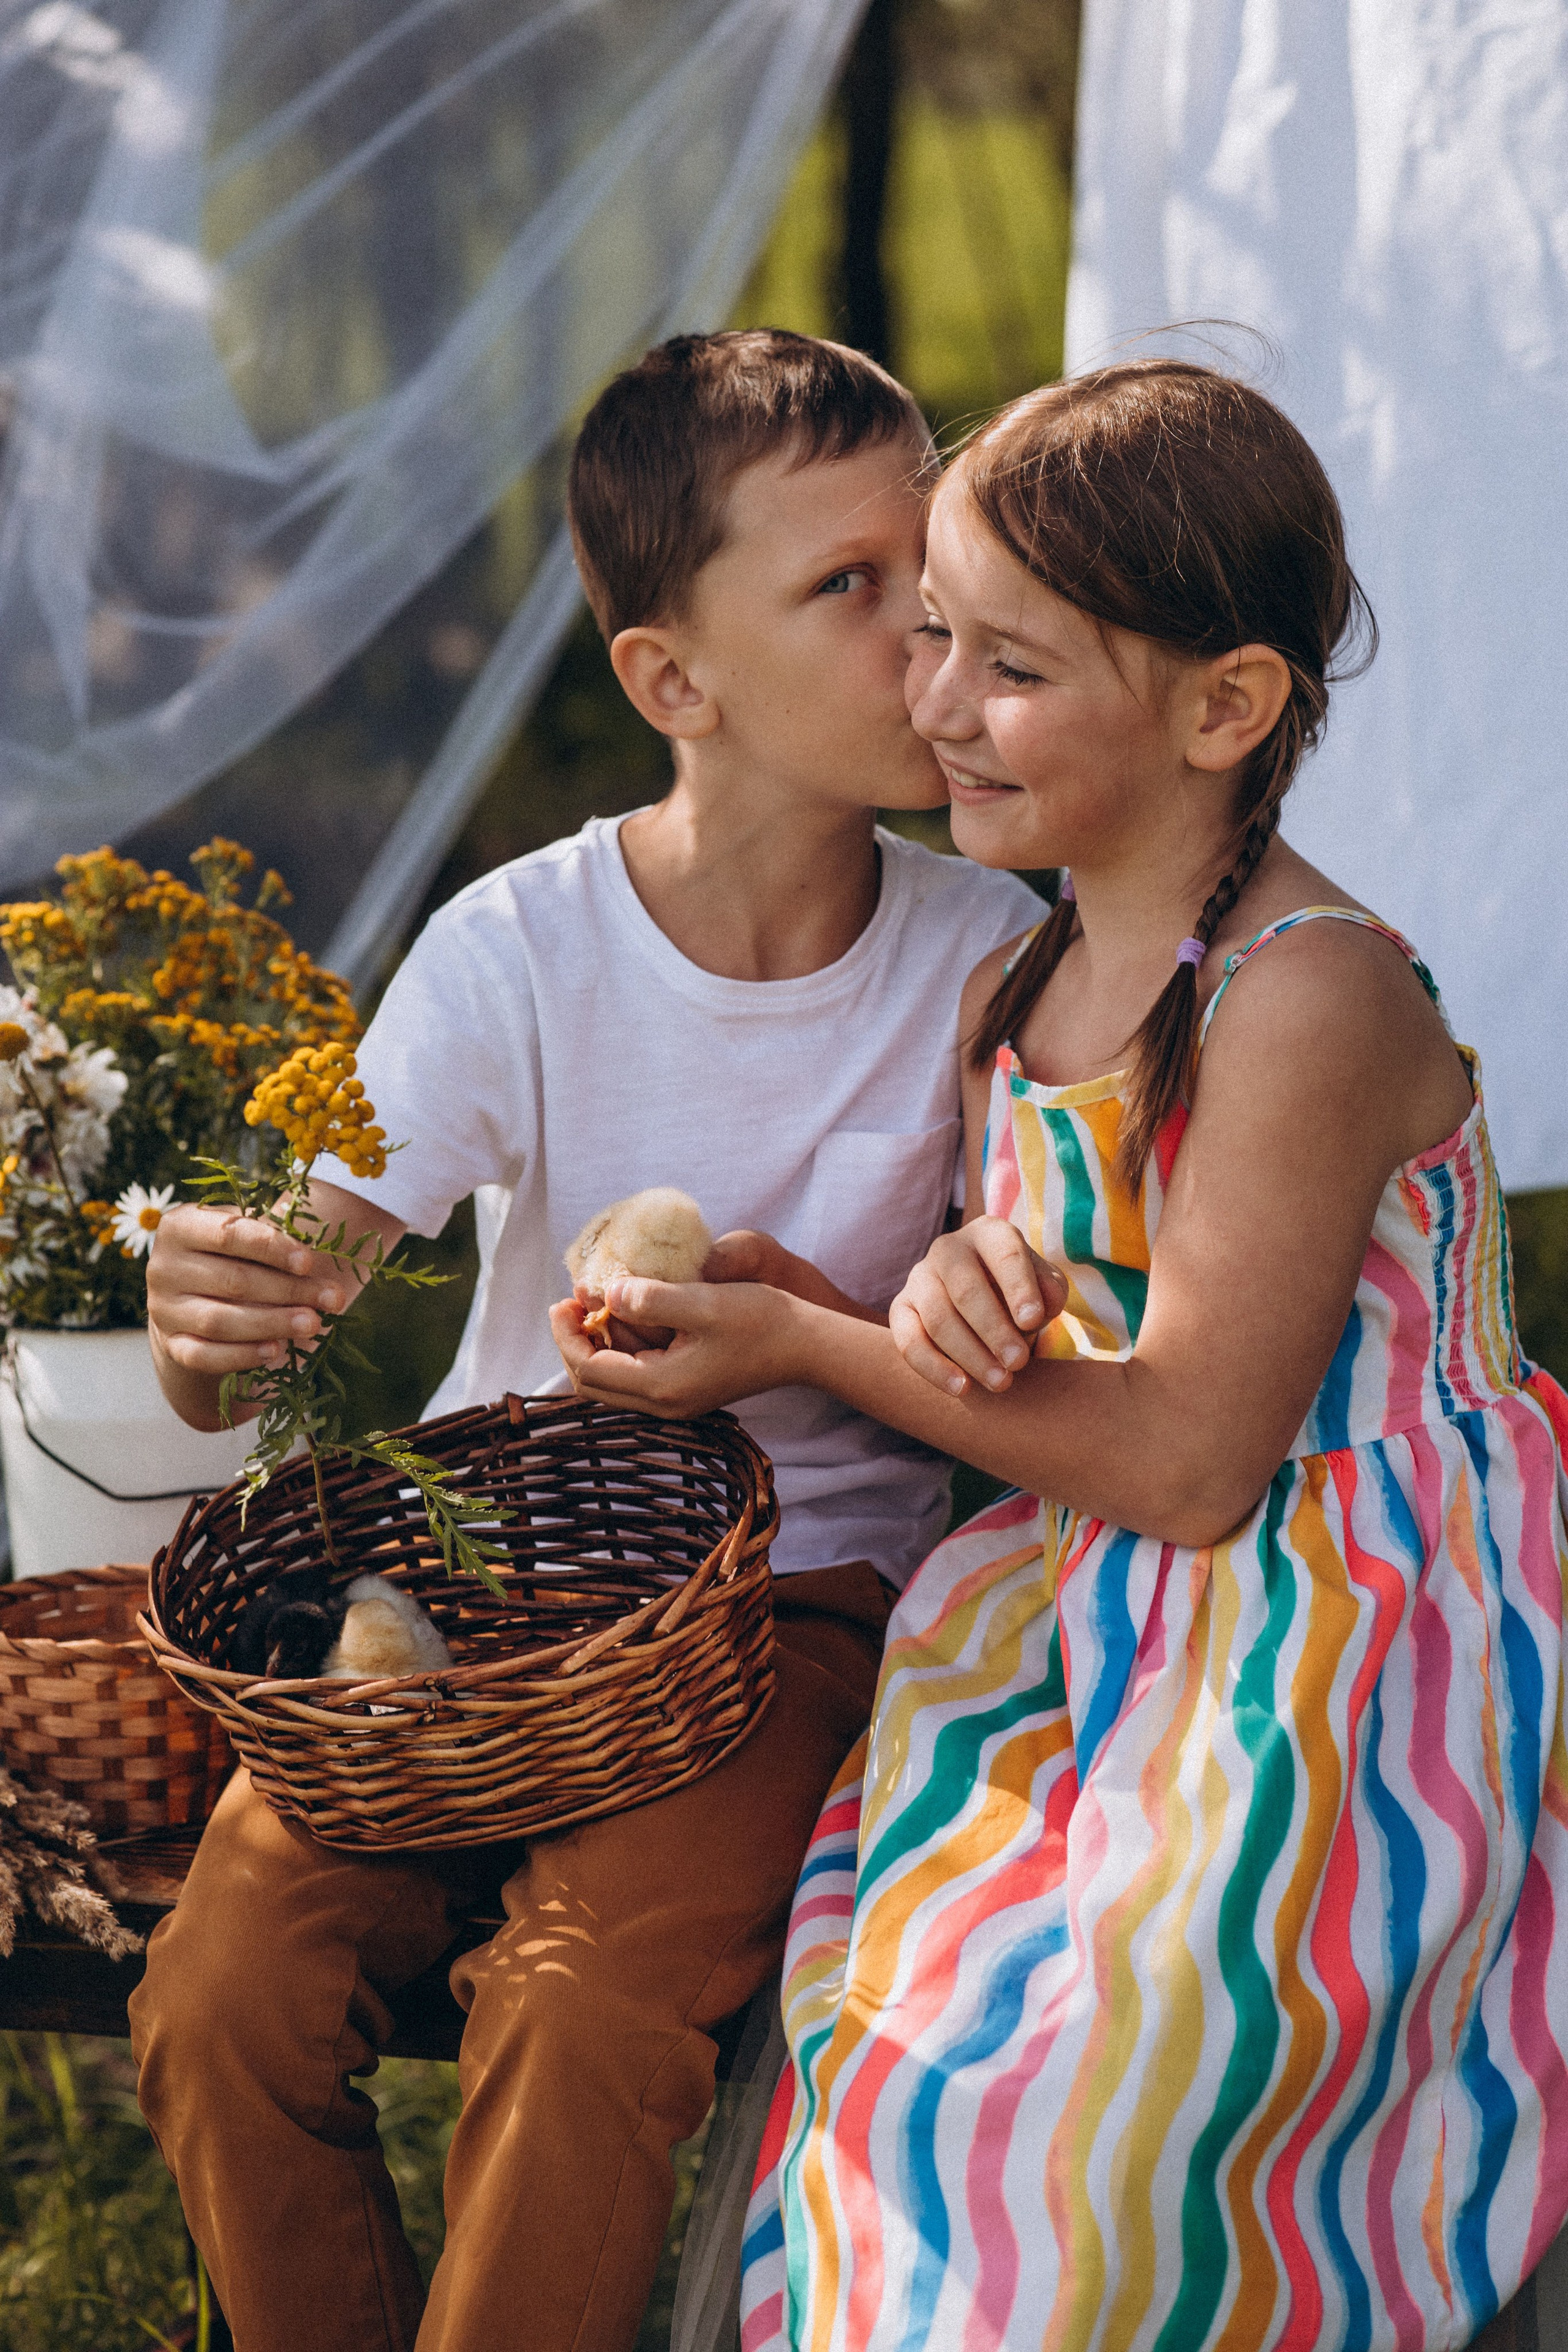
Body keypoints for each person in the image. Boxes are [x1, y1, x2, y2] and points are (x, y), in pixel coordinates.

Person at [552, 360, 1568, 2350]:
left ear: (1224, 704)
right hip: (1094, 1621)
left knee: (1109, 2090)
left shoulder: (1311, 1002)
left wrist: (817, 1351)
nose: (932, 703)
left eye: (1005, 666)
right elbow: (1032, 1329)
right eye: (927, 633)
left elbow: (1194, 1456)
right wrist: (860, 1300)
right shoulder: (1021, 979)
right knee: (910, 2037)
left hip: (1343, 1636)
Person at [128, 329, 1044, 2352]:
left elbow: (1010, 1354)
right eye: (850, 587)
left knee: (588, 1998)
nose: (930, 634)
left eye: (938, 572)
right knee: (215, 1997)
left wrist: (853, 1324)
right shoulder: (520, 949)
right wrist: (211, 1329)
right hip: (468, 1596)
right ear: (672, 681)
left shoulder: (993, 965)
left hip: (786, 1613)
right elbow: (290, 1293)